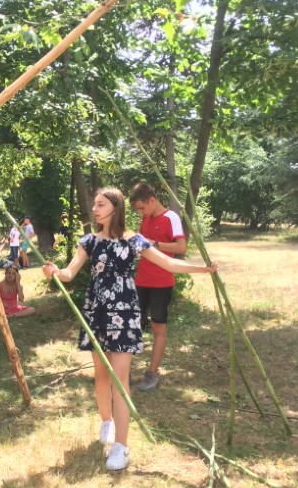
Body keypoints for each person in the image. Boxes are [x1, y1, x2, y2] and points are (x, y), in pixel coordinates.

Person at [42, 188, 217, 471]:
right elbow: (69, 272)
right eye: (94, 204)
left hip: (124, 313)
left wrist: (204, 269)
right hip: (97, 313)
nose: (95, 209)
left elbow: (169, 262)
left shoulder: (135, 240)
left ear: (116, 208)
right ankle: (106, 422)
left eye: (101, 204)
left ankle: (121, 447)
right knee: (101, 375)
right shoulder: (89, 241)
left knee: (120, 379)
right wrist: (55, 272)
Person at [129, 183, 187, 392]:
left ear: (152, 200)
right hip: (141, 280)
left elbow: (181, 247)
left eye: (142, 208)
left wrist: (154, 244)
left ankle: (152, 373)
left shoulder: (171, 217)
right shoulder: (146, 218)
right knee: (130, 324)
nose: (140, 212)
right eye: (137, 210)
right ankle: (124, 369)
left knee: (158, 327)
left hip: (162, 282)